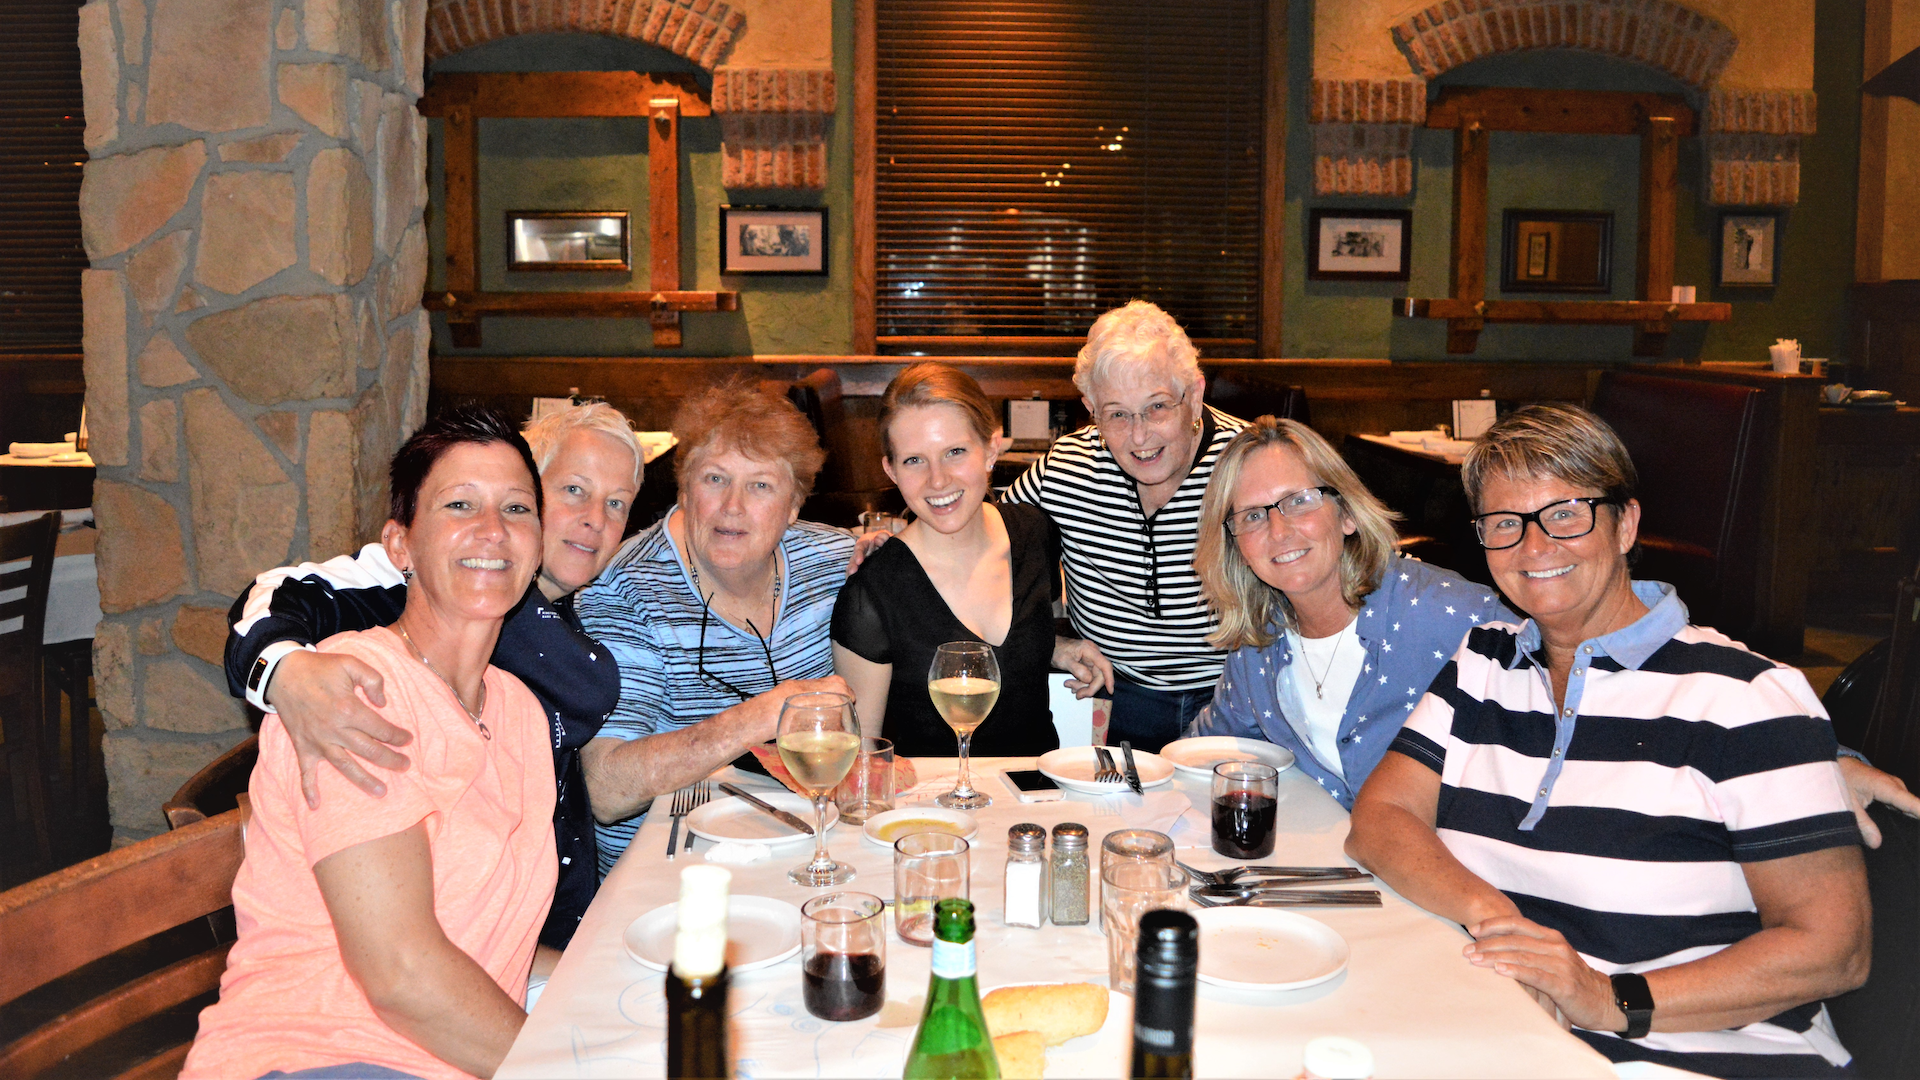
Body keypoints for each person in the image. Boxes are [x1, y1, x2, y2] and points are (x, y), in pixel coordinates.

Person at [1346, 404, 1870, 1078]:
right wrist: (1501, 923)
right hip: (1512, 1032)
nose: (1534, 549)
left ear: (1625, 524)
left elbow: (1836, 950)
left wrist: (1604, 997)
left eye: (1565, 514)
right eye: (1505, 524)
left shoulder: (1745, 697)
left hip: (1694, 1055)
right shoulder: (1486, 663)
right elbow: (1379, 820)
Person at [183, 408, 557, 1080]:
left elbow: (497, 942)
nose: (493, 531)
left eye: (517, 508)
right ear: (401, 546)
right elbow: (400, 975)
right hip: (321, 1059)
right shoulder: (354, 694)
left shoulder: (520, 709)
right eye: (460, 504)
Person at [222, 401, 639, 950]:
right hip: (455, 939)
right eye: (573, 491)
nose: (594, 519)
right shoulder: (436, 571)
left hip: (543, 926)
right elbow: (279, 597)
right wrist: (286, 672)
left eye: (617, 503)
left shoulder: (592, 612)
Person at [573, 381, 853, 875]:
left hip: (796, 851)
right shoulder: (625, 592)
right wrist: (759, 717)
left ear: (794, 508)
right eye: (715, 479)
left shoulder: (828, 562)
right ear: (683, 489)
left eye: (761, 485)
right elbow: (605, 790)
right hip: (669, 873)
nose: (733, 507)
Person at [1188, 417, 1509, 806]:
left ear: (1347, 513)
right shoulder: (1259, 642)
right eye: (1253, 515)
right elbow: (1208, 748)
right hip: (1326, 860)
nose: (1278, 530)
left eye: (1298, 501)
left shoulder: (1451, 616)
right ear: (1235, 545)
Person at [997, 300, 1250, 751]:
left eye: (1156, 408)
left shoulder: (1252, 463)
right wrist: (1047, 643)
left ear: (1193, 395)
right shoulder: (1067, 466)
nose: (1139, 437)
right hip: (1110, 697)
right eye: (1116, 414)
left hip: (1236, 701)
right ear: (1090, 407)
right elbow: (982, 542)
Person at [832, 363, 1112, 757]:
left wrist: (1054, 646)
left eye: (955, 452)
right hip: (928, 809)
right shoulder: (870, 595)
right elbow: (862, 761)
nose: (938, 480)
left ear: (992, 449)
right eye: (914, 460)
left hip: (1037, 800)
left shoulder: (1034, 533)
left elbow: (1023, 637)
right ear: (890, 470)